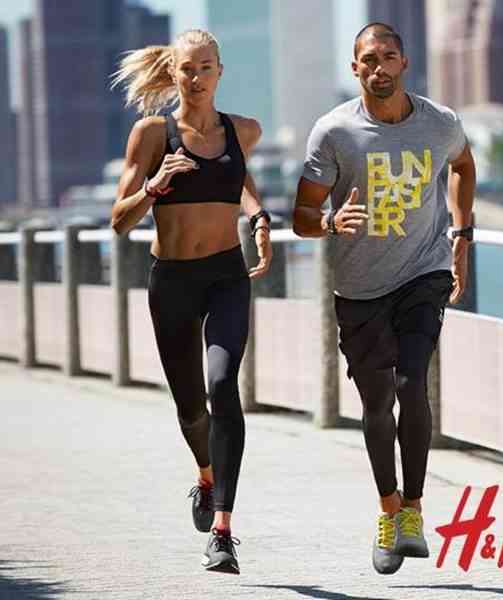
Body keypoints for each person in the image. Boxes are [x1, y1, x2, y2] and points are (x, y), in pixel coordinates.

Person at [293, 22, 476, 575]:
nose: (379, 68)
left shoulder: (440, 123)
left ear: (404, 63)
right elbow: (301, 216)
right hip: (360, 287)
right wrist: (329, 222)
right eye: (368, 60)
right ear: (355, 69)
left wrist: (462, 233)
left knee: (411, 382)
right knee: (377, 403)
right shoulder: (334, 132)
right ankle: (388, 511)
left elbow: (463, 165)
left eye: (388, 57)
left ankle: (414, 511)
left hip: (424, 272)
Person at [111, 29, 272, 575]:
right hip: (173, 281)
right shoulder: (151, 134)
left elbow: (238, 177)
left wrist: (258, 214)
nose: (197, 77)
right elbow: (118, 221)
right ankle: (206, 475)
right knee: (191, 409)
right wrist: (154, 186)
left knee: (223, 386)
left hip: (226, 275)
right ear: (172, 73)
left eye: (206, 67)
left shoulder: (243, 130)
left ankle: (223, 531)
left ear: (220, 71)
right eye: (187, 68)